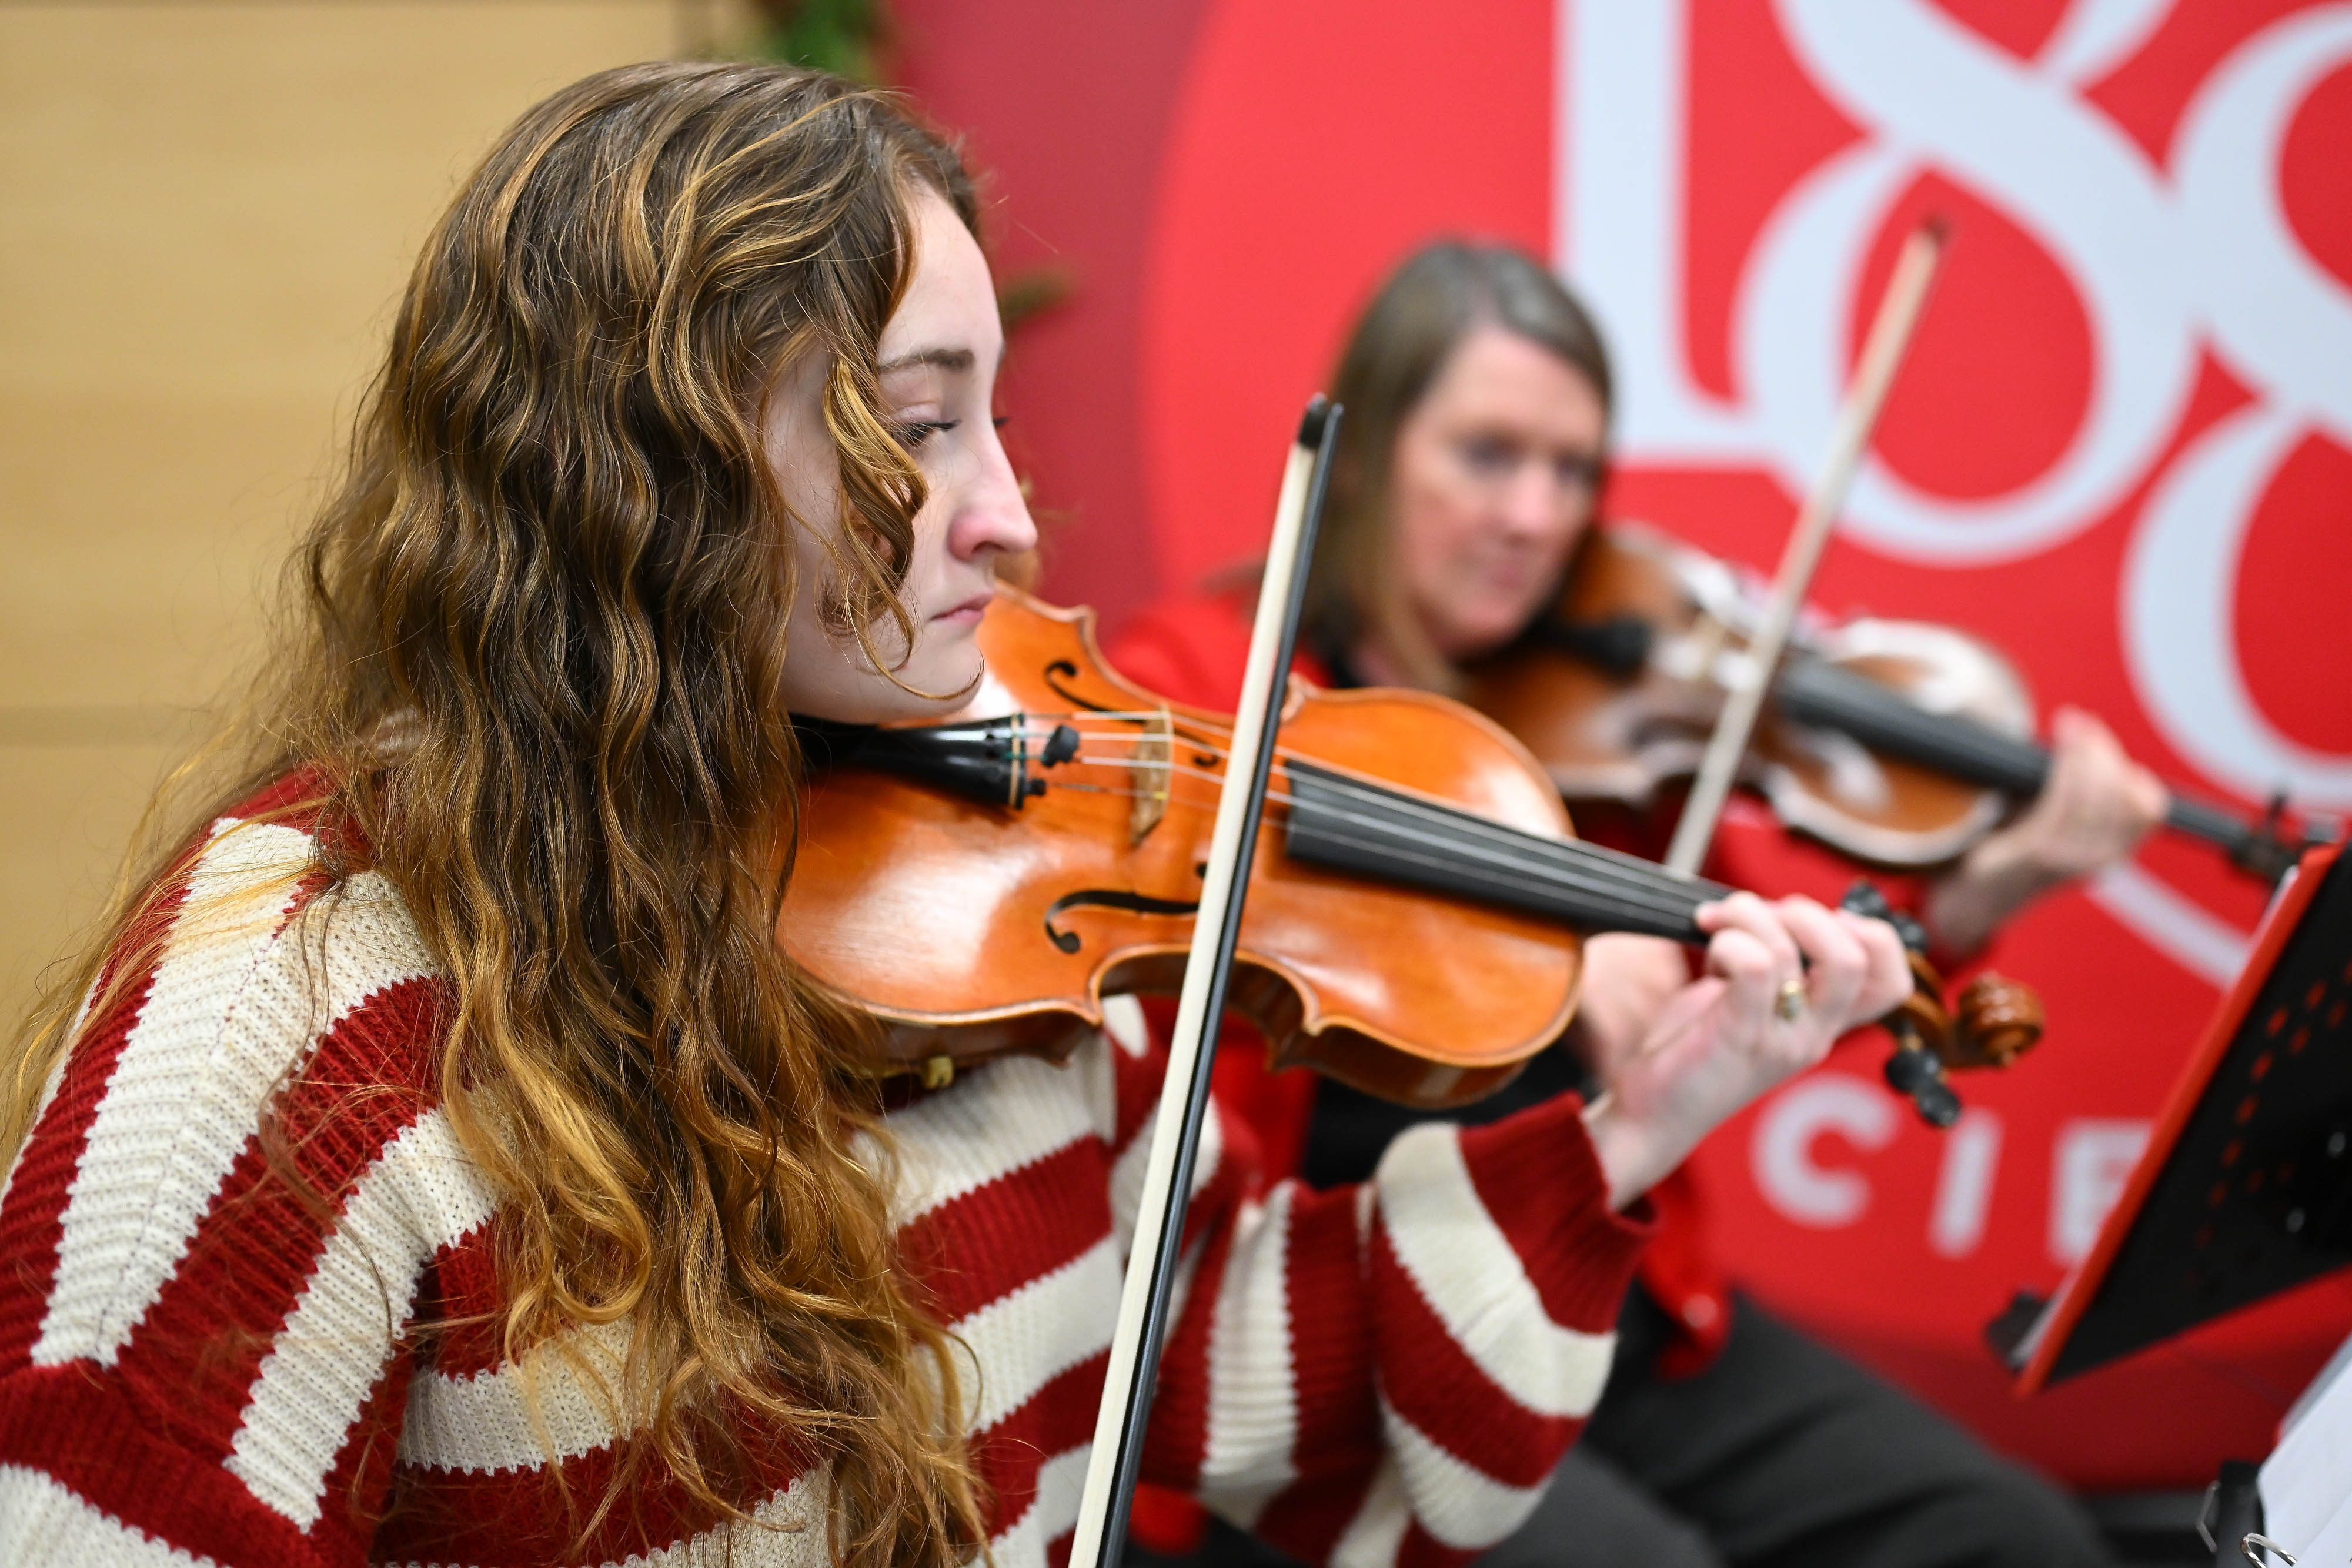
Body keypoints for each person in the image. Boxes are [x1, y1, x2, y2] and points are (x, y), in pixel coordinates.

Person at [0, 71, 1915, 1568]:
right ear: (642, 464)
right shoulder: (296, 1019)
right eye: (921, 425)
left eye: (994, 416)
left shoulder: (999, 945)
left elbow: (1209, 1357)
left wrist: (1640, 1119)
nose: (1005, 512)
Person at [1110, 242, 2169, 1568]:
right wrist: (1553, 940)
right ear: (1367, 453)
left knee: (2008, 1537)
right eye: (1488, 455)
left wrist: (1972, 898)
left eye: (1574, 471)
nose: (1537, 515)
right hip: (1341, 1333)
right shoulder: (1205, 671)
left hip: (1598, 1292)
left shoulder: (1596, 725)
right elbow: (1192, 896)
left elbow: (1753, 965)